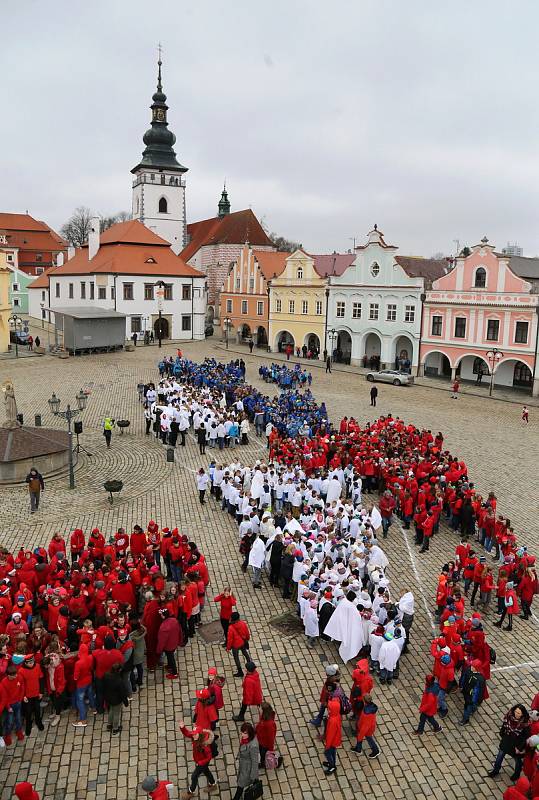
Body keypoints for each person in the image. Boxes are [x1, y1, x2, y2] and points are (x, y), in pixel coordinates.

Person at [488, 705, 531, 780]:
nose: (516, 714)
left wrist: (519, 748)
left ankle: (517, 774)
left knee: (517, 761)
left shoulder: (525, 724)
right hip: (507, 740)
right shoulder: (509, 716)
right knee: (499, 756)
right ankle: (496, 770)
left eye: (519, 713)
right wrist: (502, 734)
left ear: (522, 714)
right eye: (516, 712)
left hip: (517, 744)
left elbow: (525, 738)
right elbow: (504, 725)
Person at [179, 720, 218, 798]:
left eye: (195, 735)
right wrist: (183, 728)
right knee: (206, 771)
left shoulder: (205, 746)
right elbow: (187, 733)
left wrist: (200, 763)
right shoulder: (195, 737)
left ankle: (190, 792)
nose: (193, 736)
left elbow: (209, 757)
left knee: (194, 776)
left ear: (199, 735)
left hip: (202, 762)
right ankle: (213, 784)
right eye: (193, 734)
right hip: (199, 760)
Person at [231, 722, 260, 800]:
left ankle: (236, 798)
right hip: (243, 764)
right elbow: (241, 748)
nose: (242, 735)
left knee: (241, 784)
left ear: (250, 733)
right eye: (242, 732)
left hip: (247, 768)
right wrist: (238, 755)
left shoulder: (253, 745)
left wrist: (254, 775)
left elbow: (255, 761)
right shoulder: (245, 739)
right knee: (242, 782)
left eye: (244, 733)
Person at [102, 662, 130, 735]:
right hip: (116, 700)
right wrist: (126, 702)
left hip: (108, 697)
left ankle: (109, 725)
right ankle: (115, 728)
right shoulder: (119, 681)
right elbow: (122, 693)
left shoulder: (106, 675)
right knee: (116, 714)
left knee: (111, 710)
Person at [156, 608, 180, 679]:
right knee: (170, 656)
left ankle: (174, 673)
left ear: (163, 616)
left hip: (168, 646)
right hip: (174, 642)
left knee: (171, 658)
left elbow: (162, 641)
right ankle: (169, 666)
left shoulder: (163, 627)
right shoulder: (174, 620)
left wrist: (159, 650)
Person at [256, 701, 280, 768]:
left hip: (265, 744)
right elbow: (259, 724)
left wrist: (270, 749)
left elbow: (271, 738)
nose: (259, 710)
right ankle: (262, 762)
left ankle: (264, 763)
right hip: (261, 740)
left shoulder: (269, 724)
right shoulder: (263, 717)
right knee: (261, 752)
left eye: (260, 709)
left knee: (263, 754)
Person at [226, 611, 251, 677]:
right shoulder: (243, 623)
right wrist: (247, 639)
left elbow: (230, 639)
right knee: (245, 652)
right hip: (242, 642)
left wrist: (228, 648)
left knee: (236, 658)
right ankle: (249, 664)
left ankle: (240, 672)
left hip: (235, 645)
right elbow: (247, 633)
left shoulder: (231, 628)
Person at [323, 695, 342, 775]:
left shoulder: (332, 721)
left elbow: (330, 734)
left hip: (332, 740)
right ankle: (332, 763)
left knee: (327, 752)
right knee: (333, 751)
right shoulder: (336, 715)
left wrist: (327, 744)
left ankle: (332, 766)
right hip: (335, 739)